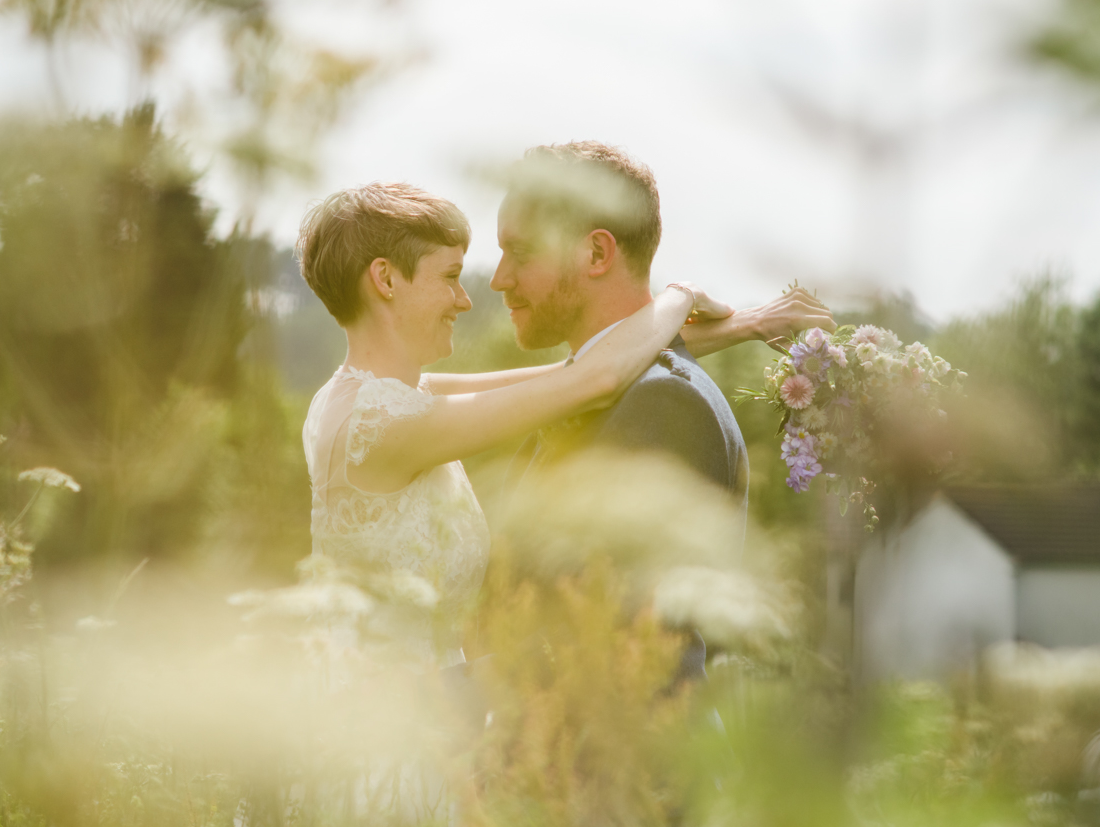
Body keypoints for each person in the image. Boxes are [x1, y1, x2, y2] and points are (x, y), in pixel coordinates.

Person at [294, 179, 830, 668]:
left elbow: (573, 369)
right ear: (385, 279)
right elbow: (593, 378)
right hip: (393, 737)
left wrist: (749, 324)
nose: (466, 297)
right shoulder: (381, 427)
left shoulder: (372, 400)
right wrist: (681, 293)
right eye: (452, 277)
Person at [491, 140, 834, 678]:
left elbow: (638, 653)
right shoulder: (586, 385)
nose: (499, 278)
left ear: (597, 254)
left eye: (522, 253)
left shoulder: (662, 402)